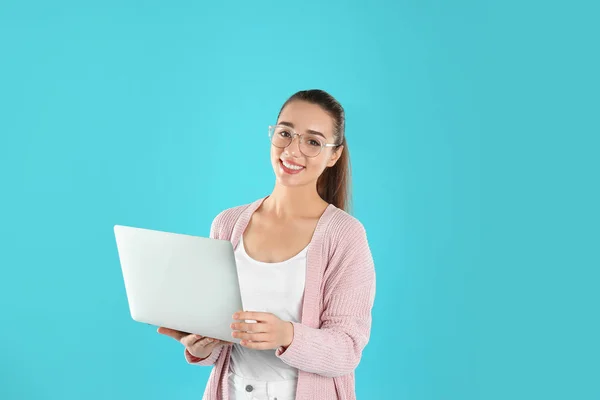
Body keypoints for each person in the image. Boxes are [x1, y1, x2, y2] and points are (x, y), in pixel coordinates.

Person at [157, 89, 376, 400]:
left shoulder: (345, 236)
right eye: (285, 133)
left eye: (313, 141)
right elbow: (222, 343)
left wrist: (286, 334)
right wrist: (202, 346)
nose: (293, 150)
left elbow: (347, 349)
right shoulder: (227, 224)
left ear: (334, 155)